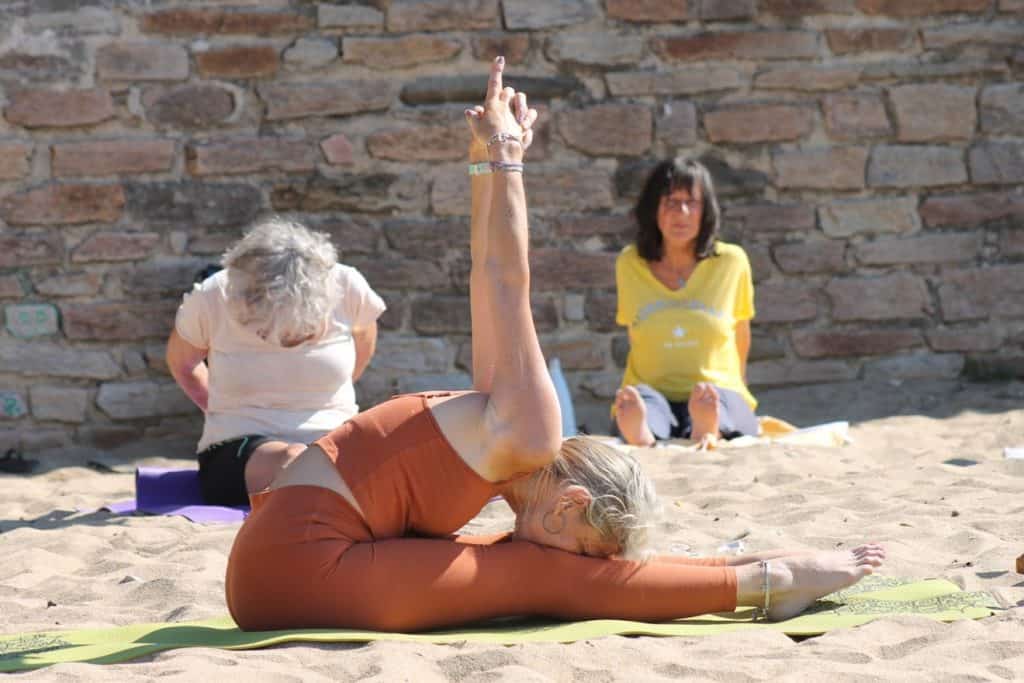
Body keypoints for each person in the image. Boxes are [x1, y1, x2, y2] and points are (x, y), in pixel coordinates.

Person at [224, 58, 885, 633]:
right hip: (300, 565)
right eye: (583, 544)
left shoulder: (497, 421)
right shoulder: (530, 430)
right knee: (547, 579)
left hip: (279, 562)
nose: (573, 554)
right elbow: (511, 280)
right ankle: (770, 579)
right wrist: (508, 159)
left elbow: (484, 275)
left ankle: (761, 572)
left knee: (542, 571)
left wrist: (484, 161)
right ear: (569, 504)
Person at [166, 218, 386, 506]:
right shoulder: (213, 295)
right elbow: (183, 363)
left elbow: (364, 338)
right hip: (240, 444)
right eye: (269, 334)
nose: (289, 344)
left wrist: (327, 397)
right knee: (293, 459)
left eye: (303, 335)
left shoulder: (347, 285)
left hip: (333, 438)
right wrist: (220, 407)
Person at [613, 158, 758, 448]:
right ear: (652, 208)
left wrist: (738, 386)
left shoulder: (732, 262)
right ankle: (643, 435)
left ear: (706, 211)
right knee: (641, 403)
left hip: (717, 388)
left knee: (720, 403)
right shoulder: (629, 263)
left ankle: (708, 428)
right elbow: (636, 334)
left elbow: (741, 334)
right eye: (670, 202)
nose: (681, 213)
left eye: (691, 202)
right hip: (653, 390)